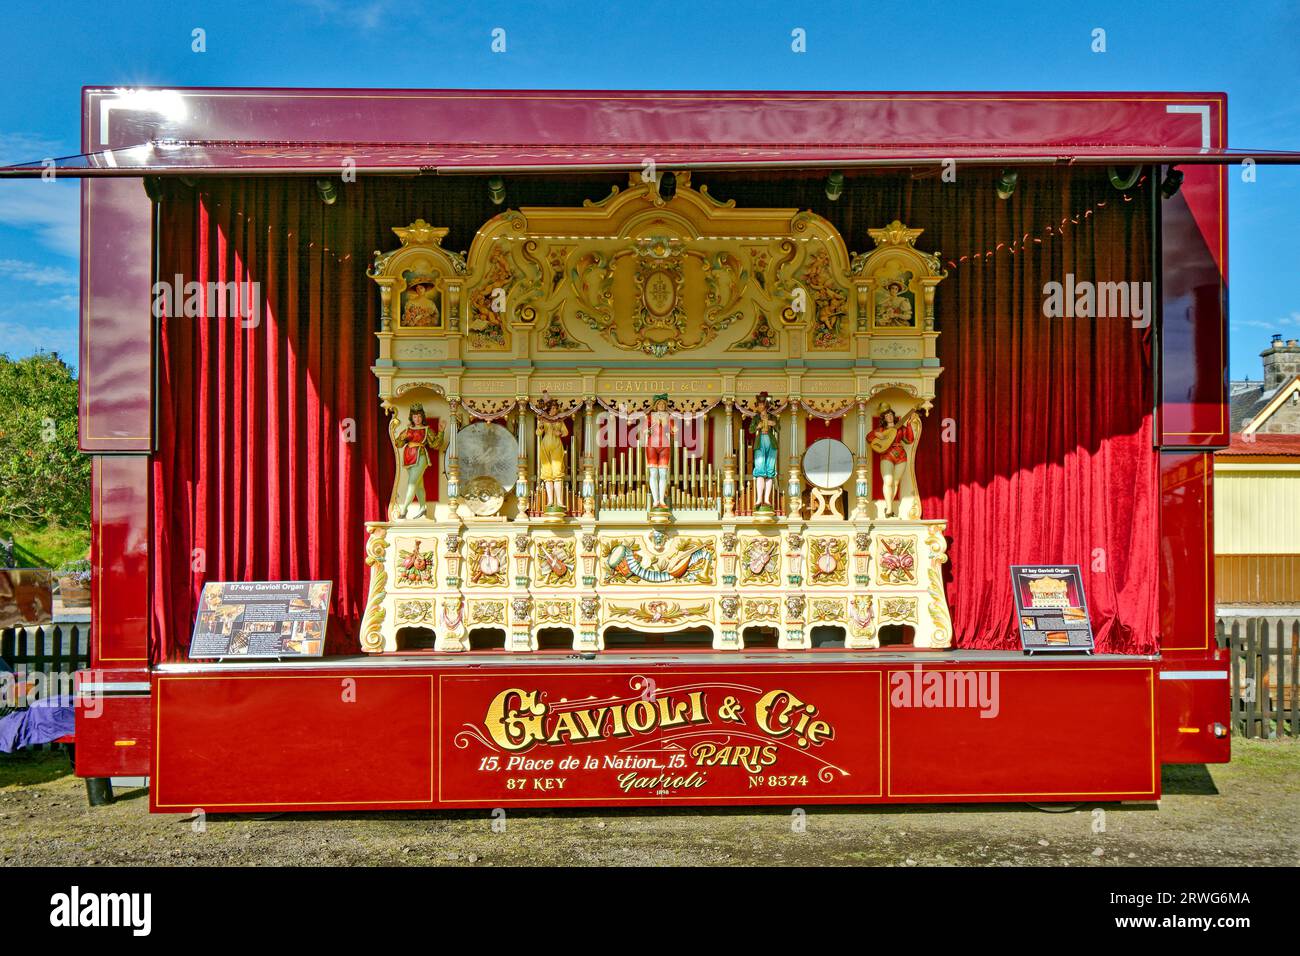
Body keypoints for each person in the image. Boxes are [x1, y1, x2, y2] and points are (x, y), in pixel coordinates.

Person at [394, 404, 447, 519]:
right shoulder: (407, 430)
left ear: (422, 417)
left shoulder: (427, 430)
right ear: (411, 418)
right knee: (418, 485)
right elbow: (398, 444)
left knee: (412, 483)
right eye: (414, 417)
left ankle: (404, 510)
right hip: (408, 458)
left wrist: (441, 432)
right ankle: (423, 508)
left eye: (419, 416)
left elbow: (435, 444)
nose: (417, 419)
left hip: (421, 457)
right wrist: (402, 437)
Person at [868, 404, 918, 517]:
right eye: (886, 415)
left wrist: (909, 424)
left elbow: (910, 440)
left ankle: (888, 507)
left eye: (890, 414)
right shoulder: (881, 429)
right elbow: (869, 438)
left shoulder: (900, 428)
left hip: (900, 455)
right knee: (888, 481)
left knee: (895, 482)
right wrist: (876, 434)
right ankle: (889, 510)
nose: (889, 416)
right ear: (884, 418)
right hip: (887, 454)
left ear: (893, 416)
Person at [536, 399, 569, 513]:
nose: (555, 410)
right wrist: (540, 427)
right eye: (553, 408)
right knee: (547, 473)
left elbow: (565, 432)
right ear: (549, 409)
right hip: (545, 446)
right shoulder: (543, 418)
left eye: (556, 408)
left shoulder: (559, 420)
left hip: (556, 446)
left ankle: (559, 501)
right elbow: (538, 433)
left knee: (557, 472)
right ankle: (550, 500)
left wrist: (559, 433)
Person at [645, 394, 676, 511]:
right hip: (652, 445)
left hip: (665, 446)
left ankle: (662, 499)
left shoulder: (669, 417)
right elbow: (643, 430)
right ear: (656, 405)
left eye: (664, 404)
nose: (662, 405)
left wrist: (670, 426)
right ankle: (655, 499)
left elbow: (674, 432)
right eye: (660, 404)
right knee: (653, 473)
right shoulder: (650, 417)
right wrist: (649, 427)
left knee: (663, 473)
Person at [749, 393, 779, 511]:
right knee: (760, 470)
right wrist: (758, 426)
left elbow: (778, 427)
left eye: (762, 404)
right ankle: (759, 498)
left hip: (771, 443)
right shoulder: (756, 418)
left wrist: (773, 424)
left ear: (765, 406)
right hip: (760, 442)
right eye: (759, 405)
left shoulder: (772, 416)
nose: (761, 406)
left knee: (770, 471)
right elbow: (751, 429)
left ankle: (767, 498)